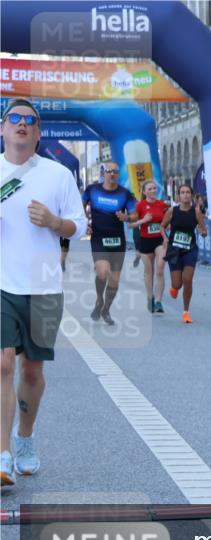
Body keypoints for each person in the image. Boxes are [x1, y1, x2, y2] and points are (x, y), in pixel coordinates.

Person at [1, 99, 88, 487]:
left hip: (44, 285)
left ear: (38, 133)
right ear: (3, 128)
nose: (21, 125)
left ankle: (25, 438)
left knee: (32, 372)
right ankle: (2, 456)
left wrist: (54, 222)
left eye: (29, 121)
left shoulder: (57, 175)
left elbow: (80, 226)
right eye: (14, 119)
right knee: (3, 364)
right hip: (2, 283)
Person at [82, 161, 137, 325]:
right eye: (109, 171)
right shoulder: (92, 190)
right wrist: (85, 221)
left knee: (114, 280)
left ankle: (105, 309)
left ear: (118, 174)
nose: (112, 174)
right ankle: (99, 300)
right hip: (99, 237)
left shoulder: (125, 194)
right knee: (102, 272)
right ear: (103, 173)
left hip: (118, 240)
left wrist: (126, 217)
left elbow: (134, 215)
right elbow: (80, 205)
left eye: (115, 171)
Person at [163, 183, 207, 323]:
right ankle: (175, 287)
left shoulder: (196, 212)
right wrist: (165, 239)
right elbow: (162, 226)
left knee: (187, 279)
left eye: (188, 192)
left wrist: (203, 232)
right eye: (182, 192)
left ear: (192, 195)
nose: (185, 195)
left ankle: (186, 312)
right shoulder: (172, 211)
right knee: (177, 284)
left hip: (190, 249)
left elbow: (203, 229)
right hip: (174, 250)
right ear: (178, 196)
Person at [132, 180, 169, 313]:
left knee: (160, 269)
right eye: (150, 189)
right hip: (145, 241)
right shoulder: (140, 205)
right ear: (144, 192)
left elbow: (169, 219)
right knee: (149, 273)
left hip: (159, 241)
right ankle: (150, 298)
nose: (153, 191)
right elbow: (132, 224)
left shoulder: (162, 205)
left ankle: (158, 301)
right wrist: (143, 220)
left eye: (154, 188)